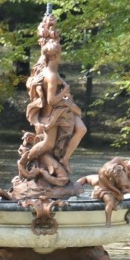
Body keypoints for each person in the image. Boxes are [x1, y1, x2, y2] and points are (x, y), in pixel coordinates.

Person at [18, 15, 87, 178]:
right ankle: (23, 161)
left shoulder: (53, 71)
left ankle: (64, 158)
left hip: (64, 108)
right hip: (53, 114)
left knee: (82, 128)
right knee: (48, 144)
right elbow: (51, 100)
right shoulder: (50, 74)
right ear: (55, 56)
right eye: (60, 53)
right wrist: (64, 92)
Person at [78, 157, 130, 225]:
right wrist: (77, 184)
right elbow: (87, 179)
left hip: (112, 187)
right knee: (110, 201)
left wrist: (125, 169)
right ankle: (108, 221)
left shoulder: (122, 173)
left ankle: (125, 218)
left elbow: (118, 160)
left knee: (119, 200)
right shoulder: (104, 173)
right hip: (103, 188)